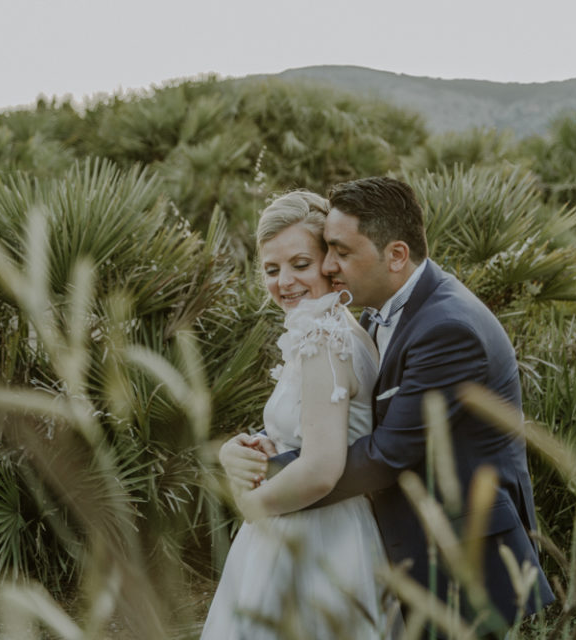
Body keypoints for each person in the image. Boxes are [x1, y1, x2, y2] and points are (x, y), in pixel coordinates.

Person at [220, 177, 555, 636]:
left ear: (396, 255)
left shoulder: (446, 327)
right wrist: (254, 449)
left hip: (460, 552)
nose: (331, 266)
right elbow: (348, 420)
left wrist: (264, 485)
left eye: (339, 253)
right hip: (401, 539)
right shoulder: (376, 313)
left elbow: (387, 453)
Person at [201, 190, 398, 639]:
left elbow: (321, 469)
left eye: (300, 264)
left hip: (315, 533)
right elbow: (312, 432)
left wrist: (251, 506)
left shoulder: (322, 338)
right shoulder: (339, 326)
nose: (284, 281)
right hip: (321, 522)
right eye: (272, 269)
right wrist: (249, 446)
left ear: (330, 263)